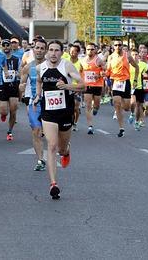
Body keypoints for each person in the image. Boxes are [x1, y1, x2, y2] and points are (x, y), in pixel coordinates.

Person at [33, 40, 84, 199]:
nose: (53, 53)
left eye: (57, 50)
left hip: (65, 112)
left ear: (62, 52)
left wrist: (67, 86)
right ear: (47, 52)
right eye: (51, 50)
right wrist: (37, 96)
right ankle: (53, 184)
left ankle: (66, 150)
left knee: (61, 149)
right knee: (52, 146)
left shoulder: (67, 66)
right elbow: (39, 81)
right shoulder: (40, 68)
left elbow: (83, 85)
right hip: (48, 112)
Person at [19, 38, 47, 170]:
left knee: (53, 134)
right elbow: (21, 84)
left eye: (42, 48)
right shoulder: (28, 67)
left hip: (51, 103)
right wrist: (22, 87)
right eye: (37, 48)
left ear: (45, 50)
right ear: (33, 49)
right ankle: (41, 160)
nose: (39, 50)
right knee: (36, 131)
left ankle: (63, 148)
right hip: (34, 102)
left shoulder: (51, 65)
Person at [106, 40, 139, 137]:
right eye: (115, 45)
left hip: (126, 82)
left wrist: (136, 80)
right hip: (116, 82)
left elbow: (136, 67)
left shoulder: (127, 56)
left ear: (122, 46)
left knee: (127, 108)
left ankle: (128, 112)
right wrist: (104, 74)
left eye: (119, 45)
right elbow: (108, 71)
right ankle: (121, 128)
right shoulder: (111, 57)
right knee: (117, 103)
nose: (117, 46)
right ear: (113, 46)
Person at [79, 42, 105, 135]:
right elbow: (80, 71)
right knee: (88, 105)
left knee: (96, 104)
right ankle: (90, 126)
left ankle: (96, 108)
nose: (90, 51)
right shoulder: (82, 60)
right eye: (88, 49)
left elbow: (104, 69)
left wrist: (101, 73)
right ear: (86, 50)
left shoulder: (98, 60)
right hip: (87, 85)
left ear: (95, 50)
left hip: (97, 85)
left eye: (92, 49)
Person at [1, 39, 21, 141]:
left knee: (13, 110)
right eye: (3, 45)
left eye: (7, 45)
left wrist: (15, 73)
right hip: (2, 87)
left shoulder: (16, 59)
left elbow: (21, 73)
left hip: (13, 86)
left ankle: (9, 131)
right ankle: (3, 115)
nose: (6, 47)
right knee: (4, 111)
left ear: (10, 46)